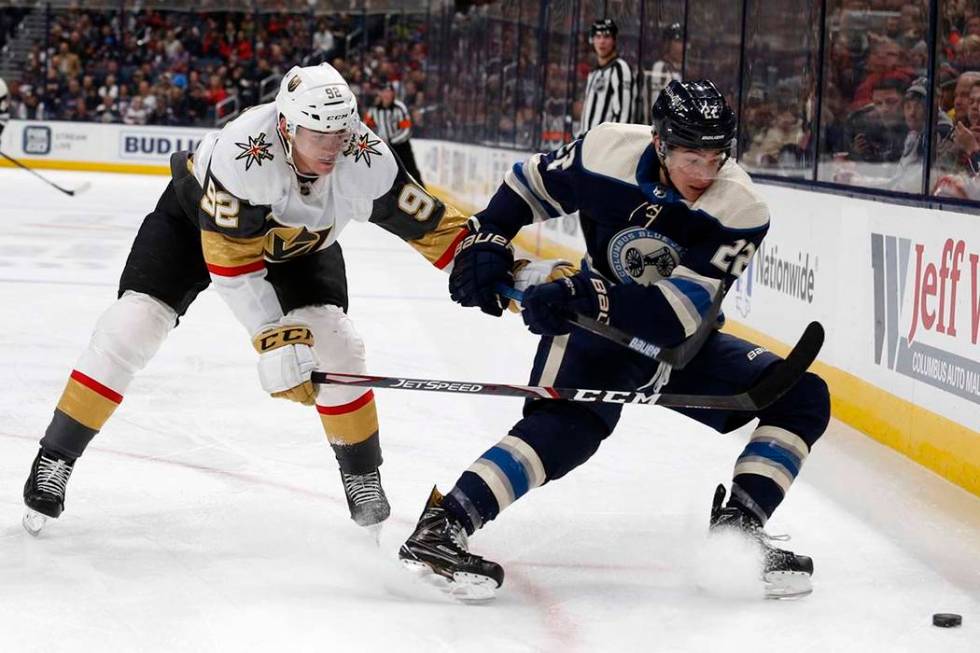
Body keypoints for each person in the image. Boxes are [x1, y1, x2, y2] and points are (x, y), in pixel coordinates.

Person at [398, 80, 830, 600]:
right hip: (594, 336)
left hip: (679, 342)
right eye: (691, 155)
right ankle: (444, 525)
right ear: (659, 143)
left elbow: (676, 314)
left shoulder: (740, 207)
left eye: (716, 156)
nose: (703, 172)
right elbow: (527, 186)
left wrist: (585, 293)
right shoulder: (606, 150)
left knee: (803, 396)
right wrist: (488, 238)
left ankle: (737, 533)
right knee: (565, 431)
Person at [22, 63, 470, 536]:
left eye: (341, 132)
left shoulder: (364, 155)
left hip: (299, 246)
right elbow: (232, 266)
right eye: (318, 134)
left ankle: (362, 476)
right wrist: (273, 337)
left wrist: (501, 270)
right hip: (194, 227)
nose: (333, 146)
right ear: (285, 126)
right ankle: (56, 456)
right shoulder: (244, 152)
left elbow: (433, 228)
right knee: (132, 326)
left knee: (340, 345)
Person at [577, 18, 634, 137]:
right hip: (587, 144)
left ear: (614, 40)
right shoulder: (594, 72)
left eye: (606, 36)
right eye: (597, 37)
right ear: (592, 40)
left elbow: (624, 114)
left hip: (605, 146)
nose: (601, 41)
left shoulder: (620, 68)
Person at [364, 83, 424, 185]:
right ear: (380, 94)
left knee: (412, 172)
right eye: (384, 92)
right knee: (385, 174)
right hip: (384, 148)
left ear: (393, 94)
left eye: (389, 92)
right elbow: (366, 128)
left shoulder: (400, 108)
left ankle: (424, 194)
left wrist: (392, 141)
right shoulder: (374, 110)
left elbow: (406, 129)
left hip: (401, 147)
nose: (387, 94)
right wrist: (377, 142)